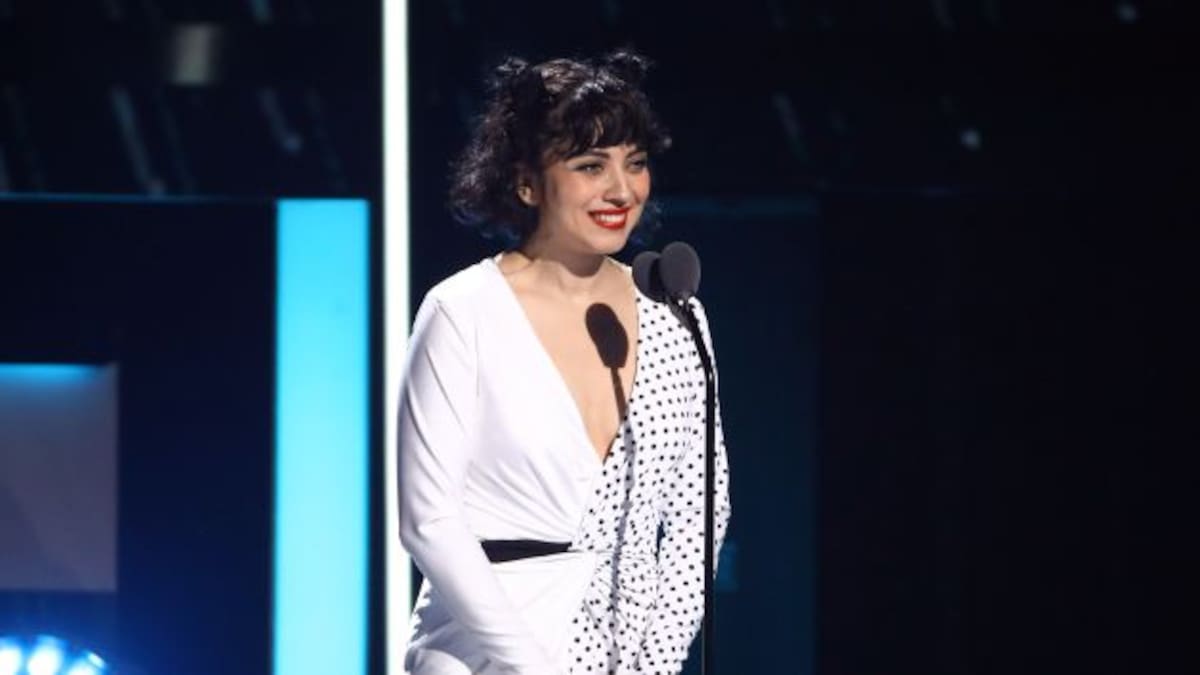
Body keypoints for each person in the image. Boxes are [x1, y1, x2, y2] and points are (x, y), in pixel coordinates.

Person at [397, 49, 731, 675]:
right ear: (526, 182)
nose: (622, 189)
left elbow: (699, 511)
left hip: (631, 652)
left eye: (635, 162)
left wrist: (656, 663)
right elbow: (428, 522)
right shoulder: (462, 312)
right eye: (590, 165)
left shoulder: (675, 313)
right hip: (489, 653)